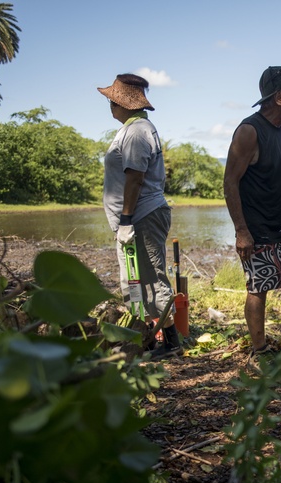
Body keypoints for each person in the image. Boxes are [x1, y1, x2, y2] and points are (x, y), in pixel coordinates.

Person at [224, 64, 281, 360]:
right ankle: (260, 349)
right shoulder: (249, 131)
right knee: (258, 286)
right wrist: (241, 231)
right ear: (279, 98)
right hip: (257, 227)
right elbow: (230, 182)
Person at [98, 73, 180, 358]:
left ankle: (172, 342)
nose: (109, 106)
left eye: (112, 101)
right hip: (134, 218)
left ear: (123, 103)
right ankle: (147, 341)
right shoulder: (132, 129)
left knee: (153, 279)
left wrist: (126, 219)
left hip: (141, 215)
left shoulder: (136, 131)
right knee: (133, 282)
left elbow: (135, 177)